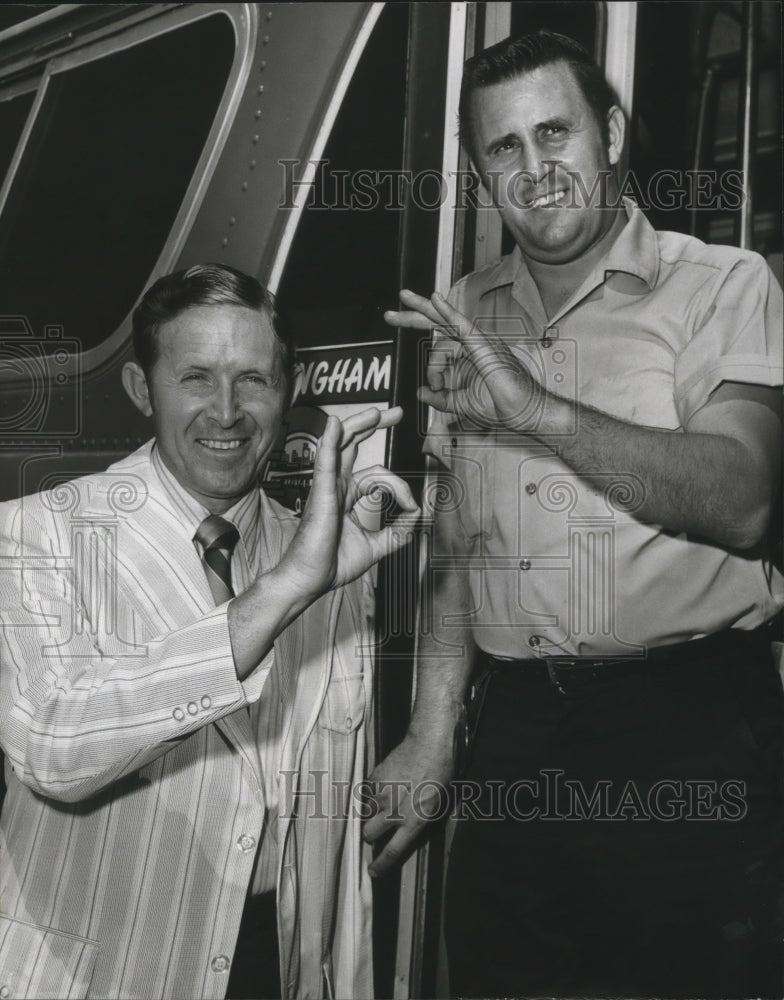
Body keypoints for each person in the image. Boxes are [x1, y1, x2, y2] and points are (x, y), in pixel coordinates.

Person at [364, 30, 784, 1000]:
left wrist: (541, 412)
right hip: (513, 734)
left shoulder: (721, 286)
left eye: (554, 133)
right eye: (502, 148)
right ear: (477, 171)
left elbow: (745, 498)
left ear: (610, 134)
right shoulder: (466, 310)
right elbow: (462, 546)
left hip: (686, 729)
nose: (534, 167)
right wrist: (433, 733)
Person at [0, 263, 419, 999]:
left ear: (289, 394)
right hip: (103, 974)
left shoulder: (326, 558)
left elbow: (334, 837)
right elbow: (53, 748)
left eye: (253, 380)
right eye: (196, 377)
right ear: (142, 390)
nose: (226, 412)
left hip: (272, 965)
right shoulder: (39, 533)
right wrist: (286, 589)